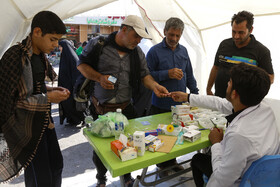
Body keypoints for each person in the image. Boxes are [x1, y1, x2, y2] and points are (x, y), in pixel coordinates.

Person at [77, 15, 169, 187]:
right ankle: (101, 178)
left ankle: (127, 178)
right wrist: (99, 77)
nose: (139, 40)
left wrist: (155, 86)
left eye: (141, 37)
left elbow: (145, 75)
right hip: (101, 109)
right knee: (101, 150)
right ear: (124, 29)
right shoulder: (99, 45)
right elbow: (81, 65)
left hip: (125, 108)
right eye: (136, 36)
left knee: (128, 144)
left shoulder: (137, 52)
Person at [171, 63, 280, 187]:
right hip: (268, 176)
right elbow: (220, 103)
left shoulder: (239, 135)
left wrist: (216, 143)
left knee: (198, 159)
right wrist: (188, 97)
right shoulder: (264, 107)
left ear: (234, 94)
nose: (227, 84)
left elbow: (222, 181)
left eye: (229, 82)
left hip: (242, 180)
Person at [0, 11, 69, 186]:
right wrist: (48, 98)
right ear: (37, 32)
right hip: (25, 127)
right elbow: (13, 103)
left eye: (58, 40)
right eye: (53, 39)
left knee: (55, 166)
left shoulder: (39, 56)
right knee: (42, 175)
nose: (56, 44)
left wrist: (50, 90)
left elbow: (33, 89)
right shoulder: (15, 57)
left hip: (43, 121)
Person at [146, 17, 199, 176]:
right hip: (161, 104)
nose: (174, 39)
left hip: (180, 105)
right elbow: (147, 76)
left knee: (177, 135)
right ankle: (161, 166)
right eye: (171, 35)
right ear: (164, 32)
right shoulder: (154, 51)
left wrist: (195, 95)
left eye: (177, 36)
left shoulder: (183, 51)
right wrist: (166, 74)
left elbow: (189, 74)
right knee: (161, 137)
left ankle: (173, 162)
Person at [206, 10, 274, 98]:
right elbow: (215, 67)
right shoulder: (224, 44)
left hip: (245, 104)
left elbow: (270, 78)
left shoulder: (262, 51)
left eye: (241, 32)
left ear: (251, 30)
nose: (236, 36)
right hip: (219, 99)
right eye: (234, 31)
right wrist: (208, 89)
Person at [58, 39, 84, 126]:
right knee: (67, 104)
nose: (59, 48)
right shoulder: (65, 56)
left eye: (60, 46)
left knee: (70, 104)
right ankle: (72, 119)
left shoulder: (72, 58)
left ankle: (76, 119)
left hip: (71, 86)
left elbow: (76, 73)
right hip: (65, 86)